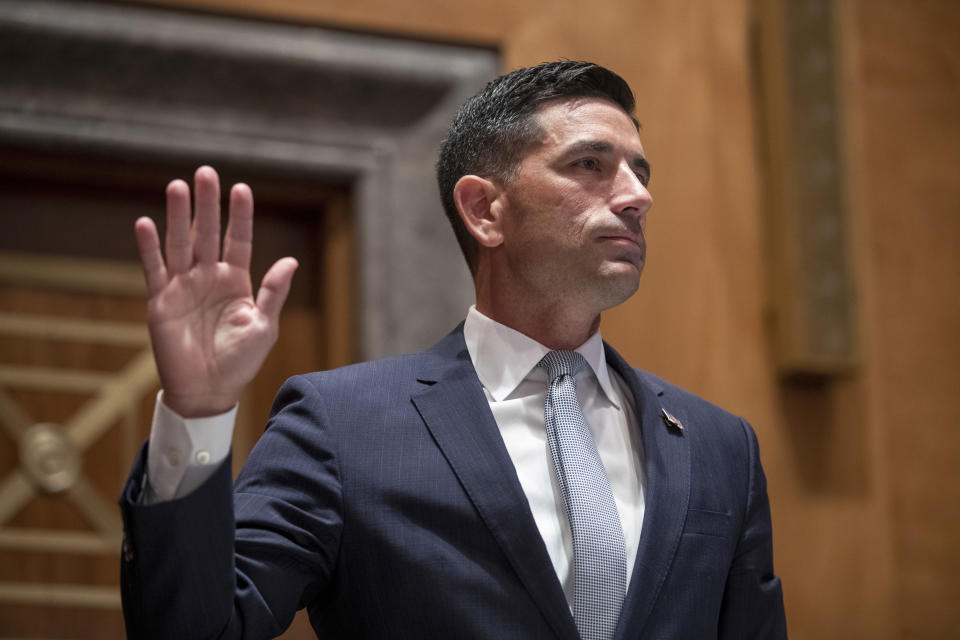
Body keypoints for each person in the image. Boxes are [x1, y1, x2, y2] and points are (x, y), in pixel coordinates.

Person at [119, 61, 787, 639]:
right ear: (484, 211)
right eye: (591, 165)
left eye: (641, 173)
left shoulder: (718, 445)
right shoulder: (343, 425)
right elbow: (194, 629)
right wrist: (197, 409)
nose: (638, 197)